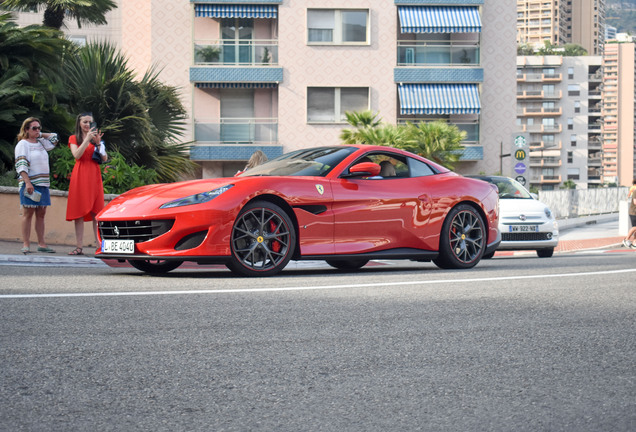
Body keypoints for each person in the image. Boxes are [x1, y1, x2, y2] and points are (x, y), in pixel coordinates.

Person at [14, 117, 58, 254]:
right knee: (28, 213)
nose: (37, 130)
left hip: (43, 182)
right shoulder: (23, 144)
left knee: (41, 213)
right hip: (31, 183)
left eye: (39, 128)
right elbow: (21, 164)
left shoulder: (41, 142)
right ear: (26, 129)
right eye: (34, 128)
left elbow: (55, 139)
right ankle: (26, 243)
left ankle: (42, 243)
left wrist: (40, 134)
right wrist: (27, 182)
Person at [65, 112, 107, 255]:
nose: (88, 125)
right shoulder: (73, 138)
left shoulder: (96, 138)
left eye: (90, 122)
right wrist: (86, 140)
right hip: (81, 174)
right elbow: (77, 155)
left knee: (97, 211)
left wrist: (98, 143)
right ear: (79, 123)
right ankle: (79, 246)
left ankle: (99, 245)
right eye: (85, 122)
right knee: (79, 212)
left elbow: (105, 158)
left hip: (94, 175)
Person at [622, 178, 636, 248]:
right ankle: (626, 239)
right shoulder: (635, 191)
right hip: (633, 212)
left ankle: (634, 242)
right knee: (635, 227)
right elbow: (635, 202)